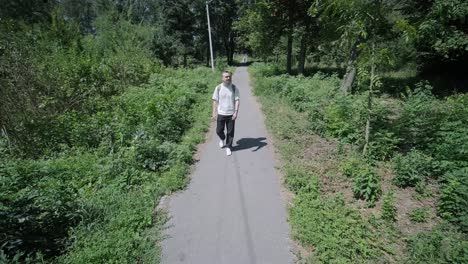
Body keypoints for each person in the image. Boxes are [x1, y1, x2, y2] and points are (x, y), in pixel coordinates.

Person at [212, 70, 240, 156]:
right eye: (226, 77)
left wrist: (235, 112)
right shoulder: (218, 88)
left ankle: (228, 147)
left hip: (231, 114)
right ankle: (222, 138)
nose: (228, 78)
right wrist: (214, 112)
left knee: (230, 132)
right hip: (221, 113)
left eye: (229, 76)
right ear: (222, 78)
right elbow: (215, 101)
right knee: (219, 130)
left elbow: (237, 100)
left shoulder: (234, 88)